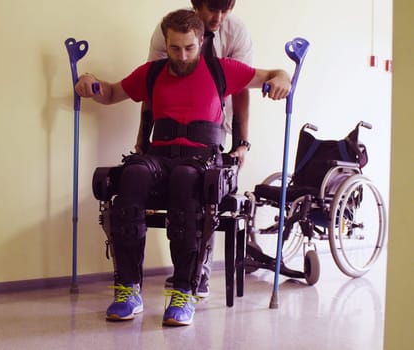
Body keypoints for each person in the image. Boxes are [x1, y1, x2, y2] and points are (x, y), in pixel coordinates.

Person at [75, 9, 290, 326]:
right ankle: (128, 289)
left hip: (201, 159)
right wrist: (91, 83)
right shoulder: (153, 72)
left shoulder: (221, 70)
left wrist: (283, 78)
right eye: (175, 48)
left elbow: (272, 74)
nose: (182, 55)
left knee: (185, 179)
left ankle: (184, 291)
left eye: (189, 48)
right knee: (131, 177)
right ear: (167, 43)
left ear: (200, 41)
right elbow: (111, 93)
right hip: (158, 156)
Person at [136, 0, 252, 298]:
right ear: (196, 5)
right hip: (170, 131)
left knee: (202, 187)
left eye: (226, 9)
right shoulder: (172, 32)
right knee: (177, 185)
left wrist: (242, 142)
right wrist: (143, 142)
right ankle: (185, 270)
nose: (219, 17)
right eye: (213, 9)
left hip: (214, 125)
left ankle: (197, 274)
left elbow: (240, 90)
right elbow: (153, 88)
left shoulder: (235, 30)